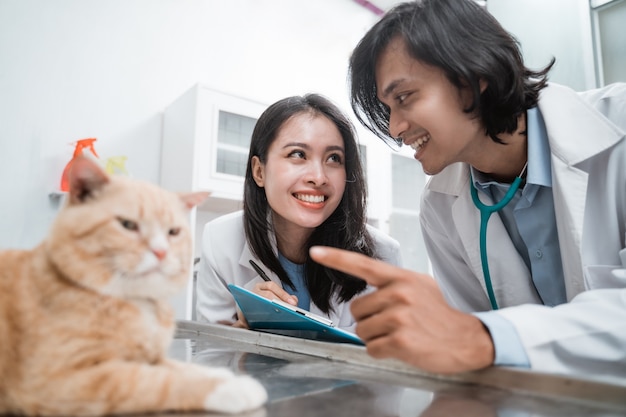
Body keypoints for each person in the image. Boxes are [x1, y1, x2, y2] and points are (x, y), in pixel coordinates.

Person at [310, 0, 626, 381]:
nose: (394, 128)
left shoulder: (617, 129)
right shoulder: (440, 205)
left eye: (405, 98)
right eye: (387, 108)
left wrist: (485, 339)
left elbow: (477, 338)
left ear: (473, 75)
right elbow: (465, 344)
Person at [196, 93, 402, 330]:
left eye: (334, 158)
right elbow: (211, 353)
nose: (318, 177)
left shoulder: (383, 255)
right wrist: (245, 334)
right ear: (259, 172)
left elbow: (386, 357)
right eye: (297, 154)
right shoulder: (220, 242)